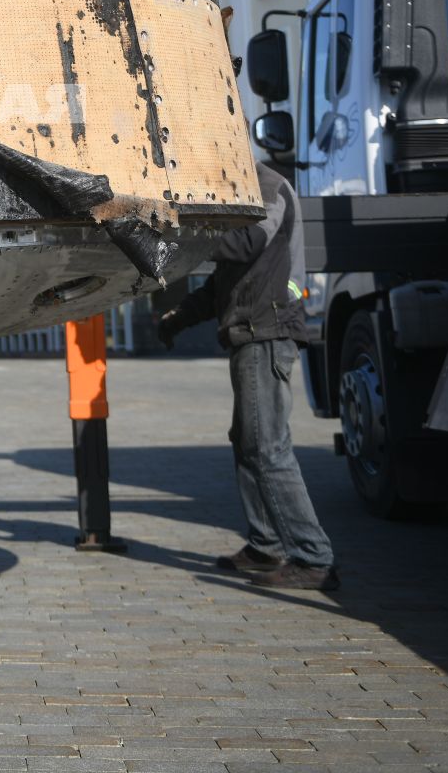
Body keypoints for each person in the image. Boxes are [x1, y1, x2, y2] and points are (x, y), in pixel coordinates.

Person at [158, 154, 340, 592]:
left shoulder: (268, 187)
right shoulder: (241, 190)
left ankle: (313, 558)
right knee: (247, 443)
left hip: (268, 333)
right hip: (250, 334)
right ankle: (265, 545)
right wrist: (179, 317)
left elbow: (245, 245)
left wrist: (180, 225)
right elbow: (227, 280)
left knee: (267, 448)